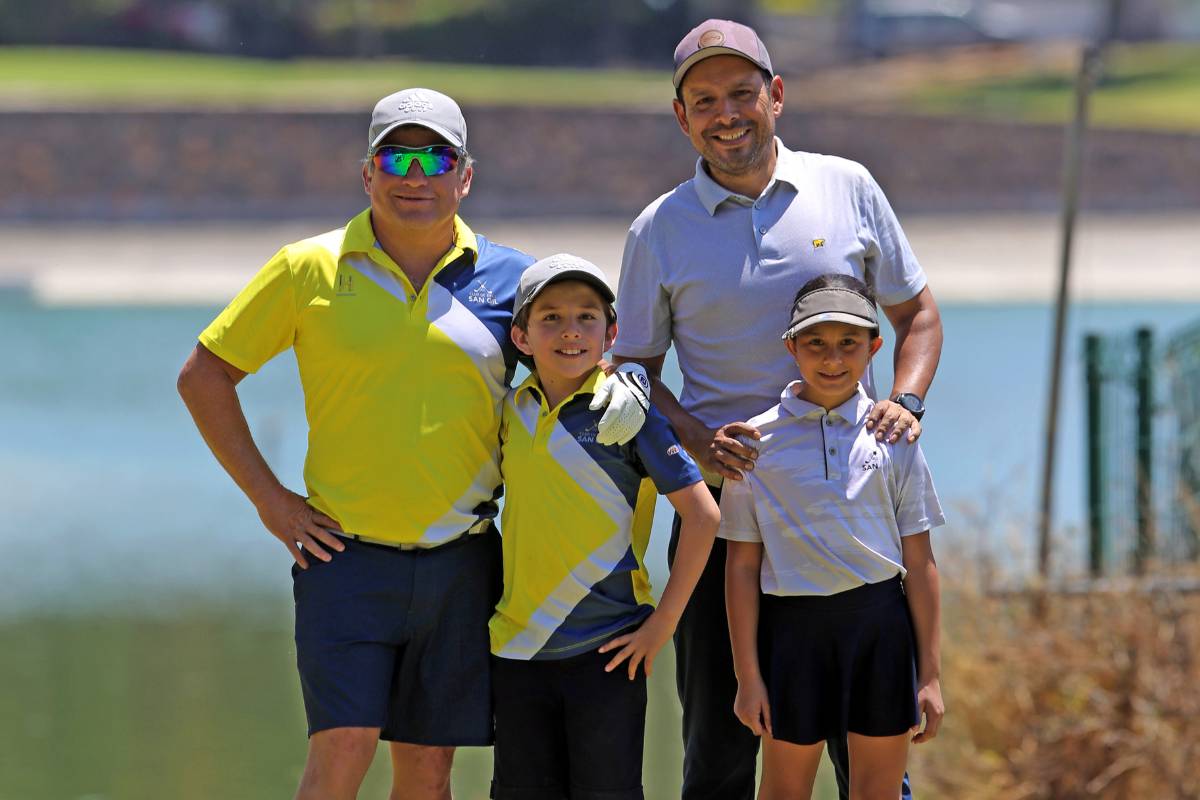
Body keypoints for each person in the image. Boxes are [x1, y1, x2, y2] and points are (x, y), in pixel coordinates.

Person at [176, 90, 648, 800]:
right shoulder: (308, 270)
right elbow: (204, 376)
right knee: (342, 750)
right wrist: (271, 502)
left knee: (427, 772)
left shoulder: (510, 282)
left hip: (463, 561)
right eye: (397, 156)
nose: (415, 176)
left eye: (437, 158)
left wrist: (626, 382)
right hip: (342, 558)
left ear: (465, 176)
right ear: (367, 172)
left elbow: (572, 358)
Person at [612, 18, 944, 800]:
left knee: (869, 760)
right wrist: (695, 437)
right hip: (724, 515)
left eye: (741, 93)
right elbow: (631, 369)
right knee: (725, 751)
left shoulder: (848, 185)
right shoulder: (657, 230)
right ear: (681, 116)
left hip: (850, 507)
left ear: (777, 95)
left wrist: (906, 401)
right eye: (704, 100)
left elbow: (918, 316)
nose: (726, 113)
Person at [487, 254, 720, 800]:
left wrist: (663, 625)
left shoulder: (627, 409)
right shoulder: (510, 410)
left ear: (611, 332)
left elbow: (703, 515)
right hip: (516, 651)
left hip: (608, 650)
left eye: (587, 318)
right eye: (550, 319)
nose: (570, 331)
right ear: (520, 336)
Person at [722, 274, 945, 800]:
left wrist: (930, 675)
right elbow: (742, 568)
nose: (833, 359)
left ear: (874, 347)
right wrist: (748, 677)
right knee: (782, 791)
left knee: (877, 792)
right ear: (790, 347)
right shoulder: (754, 442)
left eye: (849, 344)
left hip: (880, 633)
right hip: (793, 634)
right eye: (816, 343)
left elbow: (920, 561)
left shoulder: (894, 436)